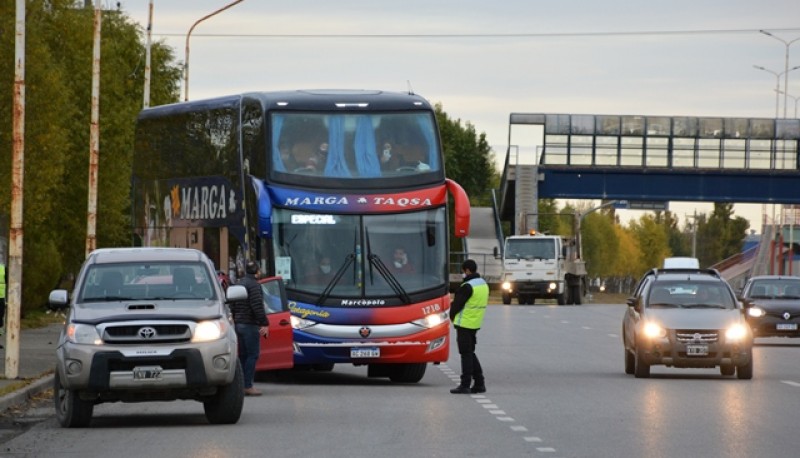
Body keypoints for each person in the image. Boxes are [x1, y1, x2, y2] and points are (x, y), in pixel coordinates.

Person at [449, 259, 489, 394]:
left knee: (465, 354)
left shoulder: (467, 286)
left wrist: (451, 316)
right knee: (470, 353)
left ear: (467, 270)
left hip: (464, 323)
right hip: (475, 323)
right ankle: (479, 383)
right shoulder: (483, 284)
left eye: (463, 271)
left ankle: (465, 384)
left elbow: (456, 305)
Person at [231, 260, 269, 396]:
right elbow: (257, 306)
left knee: (242, 355)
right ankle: (248, 385)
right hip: (250, 325)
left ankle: (239, 384)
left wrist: (235, 319)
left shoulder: (239, 284)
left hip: (239, 324)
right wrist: (264, 323)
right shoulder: (255, 286)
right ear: (258, 272)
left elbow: (232, 304)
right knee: (253, 355)